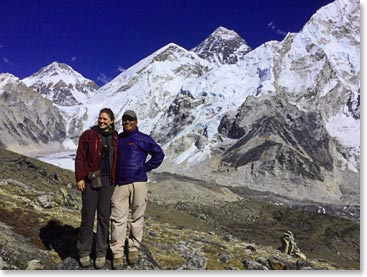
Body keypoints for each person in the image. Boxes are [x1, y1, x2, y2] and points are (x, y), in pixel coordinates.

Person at [110, 110, 164, 270]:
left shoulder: (143, 139)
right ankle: (117, 252)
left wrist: (144, 168)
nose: (127, 122)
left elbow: (159, 154)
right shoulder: (118, 139)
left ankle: (133, 247)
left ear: (136, 121)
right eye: (125, 119)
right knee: (118, 218)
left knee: (137, 216)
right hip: (120, 184)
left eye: (131, 120)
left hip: (139, 182)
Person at [75, 108, 118, 269]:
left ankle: (101, 252)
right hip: (91, 179)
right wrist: (80, 177)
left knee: (103, 217)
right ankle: (84, 251)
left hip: (108, 181)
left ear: (112, 121)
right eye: (100, 118)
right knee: (87, 215)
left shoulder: (115, 137)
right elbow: (80, 156)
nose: (101, 121)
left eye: (105, 119)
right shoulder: (88, 135)